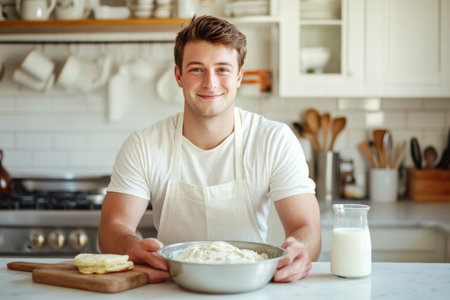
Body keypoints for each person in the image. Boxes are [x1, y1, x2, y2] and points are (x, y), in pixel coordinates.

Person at [98, 15, 321, 283]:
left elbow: (306, 228)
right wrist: (130, 247)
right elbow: (112, 229)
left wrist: (302, 251)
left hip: (250, 287)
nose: (210, 82)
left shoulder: (274, 140)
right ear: (178, 75)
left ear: (239, 76)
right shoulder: (144, 145)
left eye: (223, 69)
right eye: (196, 69)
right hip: (170, 287)